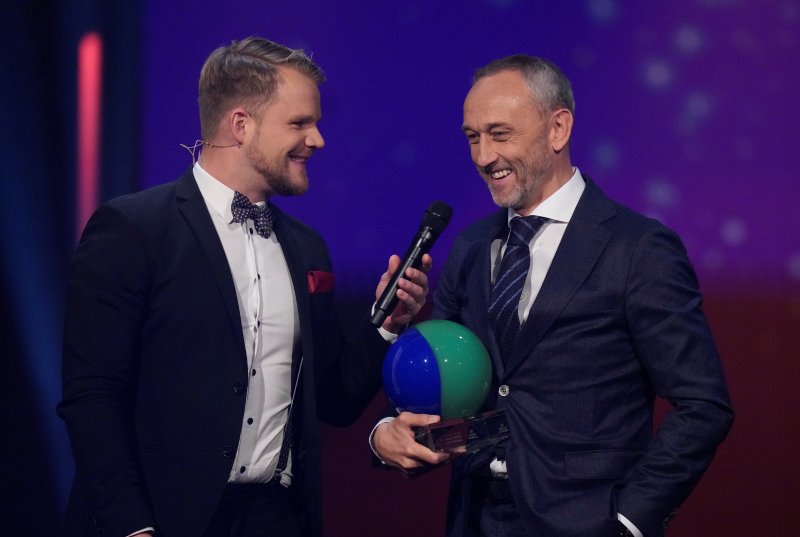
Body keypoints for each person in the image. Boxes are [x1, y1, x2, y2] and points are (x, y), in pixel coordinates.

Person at [58, 36, 430, 537]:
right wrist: (132, 527)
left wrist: (386, 327)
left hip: (274, 519)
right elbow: (93, 394)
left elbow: (336, 400)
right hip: (161, 519)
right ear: (240, 125)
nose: (317, 140)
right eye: (299, 123)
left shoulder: (307, 248)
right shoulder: (133, 230)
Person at [372, 55, 734, 537]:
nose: (483, 156)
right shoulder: (472, 247)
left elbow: (703, 406)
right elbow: (452, 395)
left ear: (558, 128)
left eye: (500, 134)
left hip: (589, 522)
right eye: (472, 138)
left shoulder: (637, 248)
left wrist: (628, 522)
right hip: (476, 517)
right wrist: (388, 435)